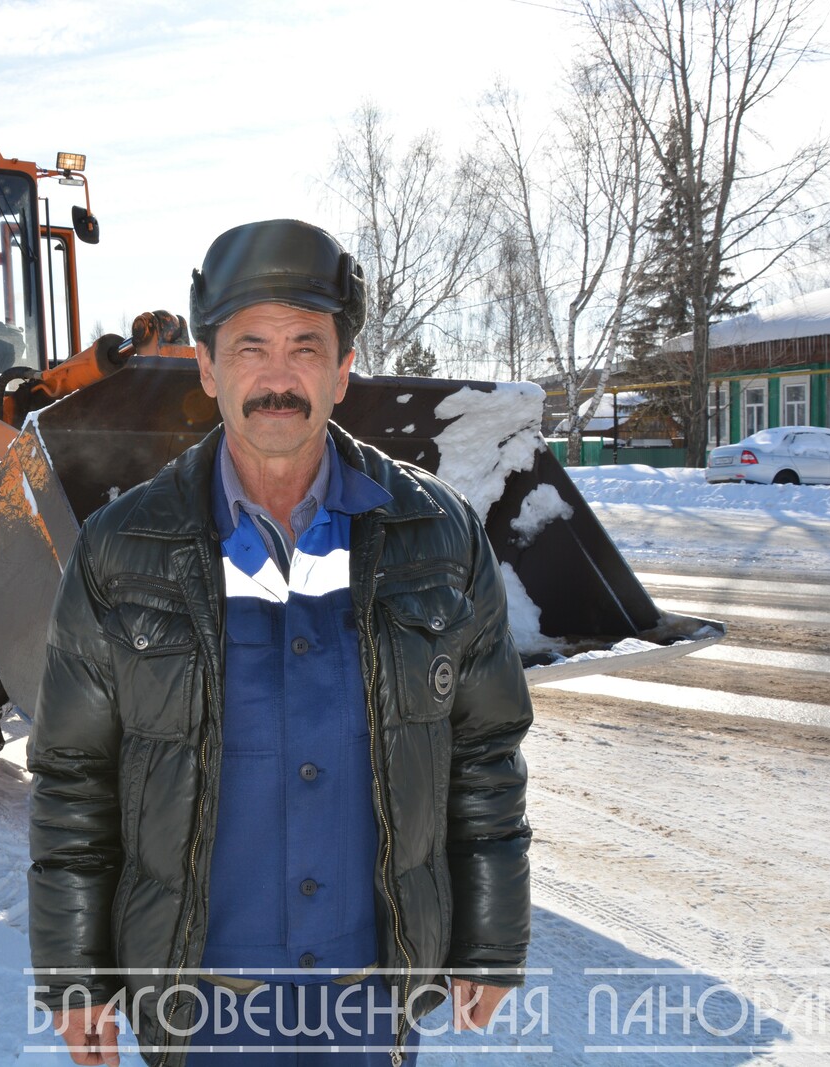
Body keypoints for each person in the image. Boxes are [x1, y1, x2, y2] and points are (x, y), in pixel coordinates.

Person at [28, 219, 533, 1066]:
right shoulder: (122, 551)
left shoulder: (437, 536)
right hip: (204, 1010)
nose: (277, 376)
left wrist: (490, 935)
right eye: (250, 346)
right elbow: (75, 776)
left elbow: (485, 750)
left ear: (342, 370)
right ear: (207, 367)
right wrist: (76, 974)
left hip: (370, 1004)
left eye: (306, 345)